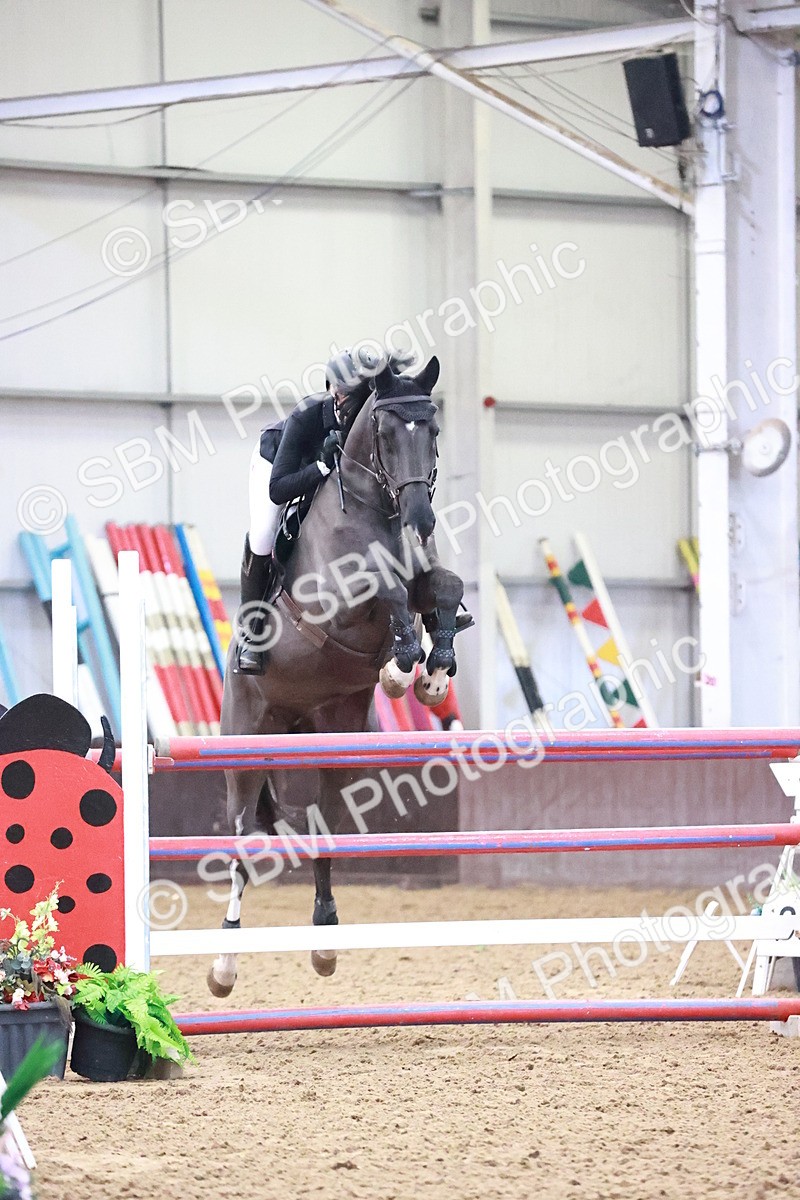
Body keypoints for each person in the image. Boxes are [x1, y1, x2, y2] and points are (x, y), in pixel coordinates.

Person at [236, 347, 407, 674]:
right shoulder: (307, 415)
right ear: (329, 387)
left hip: (328, 477)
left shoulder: (369, 419)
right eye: (338, 392)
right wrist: (320, 466)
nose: (342, 402)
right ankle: (251, 631)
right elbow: (278, 489)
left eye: (351, 395)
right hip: (278, 467)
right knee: (262, 533)